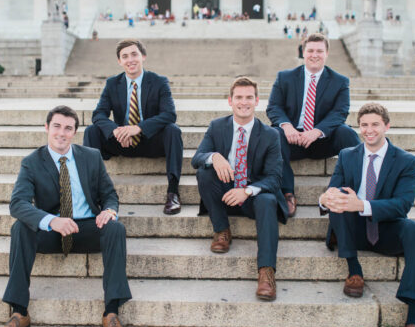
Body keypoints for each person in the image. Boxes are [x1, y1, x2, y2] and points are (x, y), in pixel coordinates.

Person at [0, 106, 131, 327]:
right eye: (56, 126)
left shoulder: (91, 156)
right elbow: (17, 203)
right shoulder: (31, 162)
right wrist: (51, 221)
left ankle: (111, 313)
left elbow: (109, 195)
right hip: (52, 230)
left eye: (68, 128)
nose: (61, 133)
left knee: (115, 228)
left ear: (75, 132)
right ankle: (18, 313)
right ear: (47, 128)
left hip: (87, 227)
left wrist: (109, 211)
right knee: (20, 228)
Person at [318, 103, 415, 327]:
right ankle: (354, 270)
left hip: (386, 229)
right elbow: (333, 189)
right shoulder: (348, 155)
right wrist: (325, 198)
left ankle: (414, 318)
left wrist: (362, 205)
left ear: (386, 126)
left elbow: (402, 205)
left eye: (375, 124)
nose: (369, 130)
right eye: (364, 125)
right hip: (353, 232)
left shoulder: (407, 161)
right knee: (339, 203)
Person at [192, 77, 289, 301]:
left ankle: (266, 272)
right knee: (204, 172)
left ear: (257, 101)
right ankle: (222, 230)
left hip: (254, 198)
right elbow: (197, 158)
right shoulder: (217, 126)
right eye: (239, 97)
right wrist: (214, 156)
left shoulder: (271, 135)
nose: (243, 102)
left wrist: (247, 191)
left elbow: (274, 178)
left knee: (267, 200)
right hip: (225, 194)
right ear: (230, 101)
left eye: (249, 98)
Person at [84, 39, 183, 215]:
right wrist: (116, 130)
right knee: (91, 131)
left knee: (173, 130)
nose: (130, 60)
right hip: (122, 142)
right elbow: (98, 114)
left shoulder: (159, 81)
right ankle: (92, 192)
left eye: (134, 54)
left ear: (143, 56)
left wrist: (138, 128)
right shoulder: (112, 83)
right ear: (119, 61)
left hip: (150, 141)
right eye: (125, 56)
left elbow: (169, 114)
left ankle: (173, 192)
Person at [267, 33, 360, 216]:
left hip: (322, 140)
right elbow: (274, 107)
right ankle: (287, 193)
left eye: (319, 51)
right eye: (310, 50)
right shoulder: (284, 77)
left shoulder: (340, 81)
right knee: (274, 134)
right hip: (291, 140)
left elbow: (340, 112)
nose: (314, 55)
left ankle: (343, 192)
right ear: (303, 52)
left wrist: (317, 131)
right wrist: (286, 126)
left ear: (326, 53)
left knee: (347, 133)